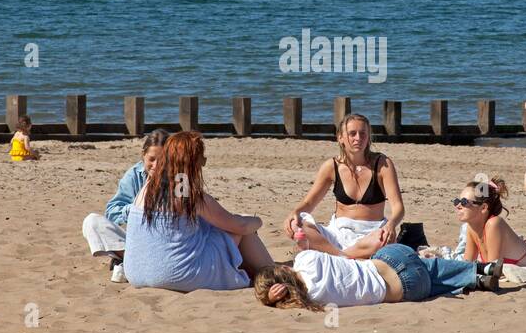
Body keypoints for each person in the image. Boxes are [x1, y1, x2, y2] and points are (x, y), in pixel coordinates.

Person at [123, 131, 274, 292]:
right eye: (201, 160)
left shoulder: (146, 187)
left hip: (136, 274)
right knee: (242, 226)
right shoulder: (189, 195)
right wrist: (258, 221)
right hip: (178, 275)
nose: (204, 163)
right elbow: (240, 226)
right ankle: (272, 273)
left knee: (214, 228)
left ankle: (263, 270)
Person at [283, 113, 405, 258]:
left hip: (371, 233)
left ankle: (336, 256)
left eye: (363, 134)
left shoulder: (382, 164)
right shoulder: (331, 166)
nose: (358, 138)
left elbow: (398, 207)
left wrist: (390, 224)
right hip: (338, 233)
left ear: (368, 137)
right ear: (340, 137)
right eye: (352, 134)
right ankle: (344, 256)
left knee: (383, 239)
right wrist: (294, 213)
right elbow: (309, 202)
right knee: (297, 225)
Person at [253, 243, 502, 311]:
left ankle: (477, 281)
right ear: (283, 270)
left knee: (429, 281)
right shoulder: (305, 260)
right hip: (394, 260)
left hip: (411, 291)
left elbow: (296, 298)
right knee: (427, 266)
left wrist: (275, 301)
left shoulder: (312, 299)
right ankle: (481, 269)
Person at [81, 129, 169, 259]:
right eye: (152, 159)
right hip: (139, 240)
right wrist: (136, 209)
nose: (156, 165)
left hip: (168, 243)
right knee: (91, 222)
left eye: (162, 160)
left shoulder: (180, 176)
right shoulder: (133, 175)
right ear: (143, 155)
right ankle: (128, 260)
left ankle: (126, 262)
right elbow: (111, 213)